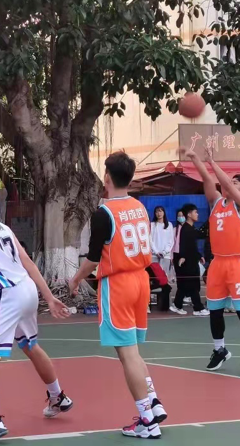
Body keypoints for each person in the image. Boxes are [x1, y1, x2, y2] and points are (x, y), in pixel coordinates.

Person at [0, 180, 73, 444]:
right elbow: (27, 261)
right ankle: (57, 397)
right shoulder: (1, 226)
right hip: (27, 288)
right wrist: (48, 296)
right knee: (30, 345)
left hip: (6, 294)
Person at [70, 152, 167, 439]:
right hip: (141, 280)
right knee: (132, 351)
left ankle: (147, 418)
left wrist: (75, 279)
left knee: (127, 353)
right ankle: (153, 403)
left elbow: (92, 259)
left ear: (107, 178)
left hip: (119, 284)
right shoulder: (140, 207)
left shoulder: (104, 213)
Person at [184, 147, 240, 375]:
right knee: (215, 310)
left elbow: (224, 182)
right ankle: (219, 350)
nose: (229, 183)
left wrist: (212, 161)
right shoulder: (216, 202)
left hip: (236, 264)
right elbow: (208, 180)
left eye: (235, 183)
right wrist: (195, 159)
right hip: (217, 263)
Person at [170, 204, 209, 316]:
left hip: (191, 260)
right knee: (193, 285)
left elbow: (193, 245)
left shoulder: (190, 228)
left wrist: (199, 256)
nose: (197, 214)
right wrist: (183, 257)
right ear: (189, 214)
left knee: (185, 285)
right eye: (195, 212)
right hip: (188, 262)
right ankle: (198, 308)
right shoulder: (186, 229)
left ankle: (177, 305)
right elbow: (184, 245)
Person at [150, 206, 174, 278]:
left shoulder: (169, 225)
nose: (159, 213)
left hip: (165, 256)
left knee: (164, 276)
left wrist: (164, 252)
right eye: (157, 211)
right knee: (155, 276)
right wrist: (156, 252)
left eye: (160, 211)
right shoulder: (152, 225)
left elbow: (171, 241)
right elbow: (150, 240)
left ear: (164, 213)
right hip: (154, 255)